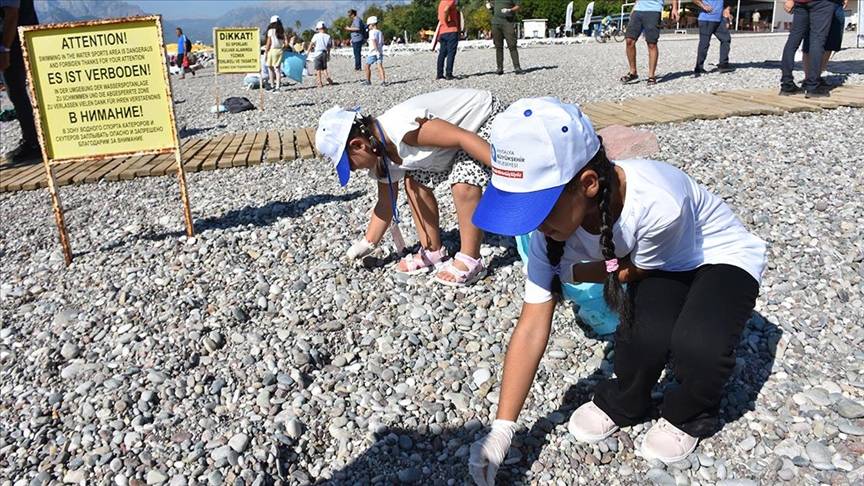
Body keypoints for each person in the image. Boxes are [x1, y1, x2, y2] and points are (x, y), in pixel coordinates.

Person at [467, 97, 767, 484]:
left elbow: (639, 268)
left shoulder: (658, 202)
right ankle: (627, 400)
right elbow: (530, 327)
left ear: (588, 184)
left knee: (697, 345)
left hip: (715, 256)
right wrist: (502, 428)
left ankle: (689, 414)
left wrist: (581, 270)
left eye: (538, 211)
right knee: (643, 336)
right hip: (648, 261)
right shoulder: (547, 235)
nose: (533, 227)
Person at [314, 89, 505, 286]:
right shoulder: (381, 153)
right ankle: (432, 250)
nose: (353, 170)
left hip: (483, 119)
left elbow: (461, 138)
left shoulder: (402, 129)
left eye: (350, 164)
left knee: (463, 183)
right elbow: (386, 202)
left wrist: (507, 172)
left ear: (358, 145)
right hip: (456, 138)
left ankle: (471, 259)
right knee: (413, 181)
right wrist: (367, 243)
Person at [0, 0, 39, 164]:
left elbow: (11, 14)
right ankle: (33, 141)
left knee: (16, 91)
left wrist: (5, 49)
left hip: (14, 42)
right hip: (14, 39)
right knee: (16, 91)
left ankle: (33, 143)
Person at [779, 0, 838, 97]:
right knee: (817, 40)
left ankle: (787, 84)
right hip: (822, 3)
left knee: (793, 40)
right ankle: (813, 86)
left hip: (800, 2)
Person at [621, 0, 679, 85]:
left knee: (651, 44)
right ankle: (633, 72)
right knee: (629, 40)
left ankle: (651, 75)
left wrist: (674, 8)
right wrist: (633, 9)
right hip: (638, 10)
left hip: (654, 10)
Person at [801, 0, 847, 85]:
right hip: (818, 3)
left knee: (832, 41)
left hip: (837, 4)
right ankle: (808, 78)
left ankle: (817, 76)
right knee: (810, 40)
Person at [693, 0, 734, 77]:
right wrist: (703, 5)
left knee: (726, 39)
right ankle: (699, 67)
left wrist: (727, 9)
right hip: (706, 19)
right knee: (704, 44)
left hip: (719, 20)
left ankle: (723, 65)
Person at [488, 0, 522, 75]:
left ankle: (517, 67)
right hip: (495, 23)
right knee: (498, 46)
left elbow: (518, 6)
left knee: (512, 45)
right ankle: (499, 68)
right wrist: (489, 6)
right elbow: (492, 5)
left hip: (508, 23)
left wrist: (510, 10)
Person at [436, 0, 460, 80]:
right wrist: (447, 20)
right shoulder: (451, 1)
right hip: (451, 30)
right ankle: (449, 74)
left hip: (442, 31)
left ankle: (439, 74)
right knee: (451, 53)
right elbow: (446, 10)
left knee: (442, 53)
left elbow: (440, 16)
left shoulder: (441, 2)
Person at [308, 21, 333, 88]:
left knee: (318, 69)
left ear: (318, 29)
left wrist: (307, 52)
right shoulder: (328, 36)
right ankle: (329, 79)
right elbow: (329, 47)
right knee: (324, 68)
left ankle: (320, 82)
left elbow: (311, 44)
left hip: (317, 53)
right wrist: (328, 55)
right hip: (324, 53)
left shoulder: (316, 36)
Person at [265, 15, 287, 91]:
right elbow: (286, 43)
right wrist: (282, 47)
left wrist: (266, 52)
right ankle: (278, 86)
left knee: (270, 67)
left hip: (272, 50)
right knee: (277, 69)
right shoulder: (282, 31)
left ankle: (272, 85)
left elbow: (268, 43)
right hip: (280, 50)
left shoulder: (270, 31)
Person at [363, 16, 386, 86]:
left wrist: (375, 50)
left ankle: (368, 80)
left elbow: (373, 41)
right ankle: (383, 81)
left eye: (368, 25)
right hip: (380, 52)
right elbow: (382, 42)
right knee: (380, 66)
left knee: (367, 66)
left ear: (372, 24)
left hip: (373, 52)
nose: (368, 27)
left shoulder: (371, 32)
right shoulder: (380, 32)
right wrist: (379, 50)